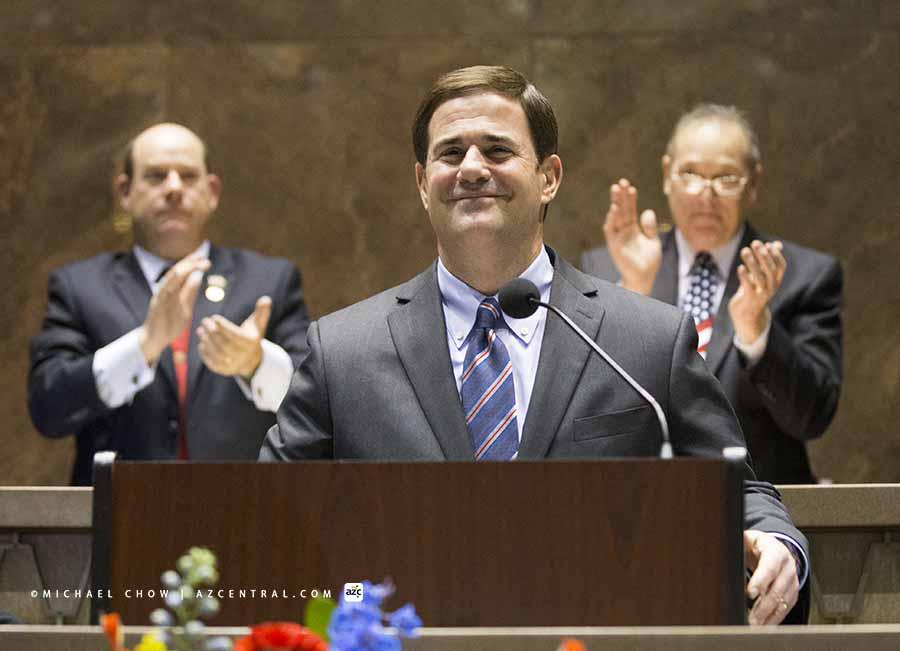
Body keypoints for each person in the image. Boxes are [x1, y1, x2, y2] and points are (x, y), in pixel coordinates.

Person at [260, 67, 807, 625]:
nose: (472, 168)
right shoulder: (343, 351)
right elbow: (269, 518)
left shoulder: (648, 340)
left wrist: (774, 541)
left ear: (549, 177)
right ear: (423, 183)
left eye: (497, 150)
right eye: (451, 153)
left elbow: (739, 491)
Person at [28, 123, 310, 486]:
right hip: (119, 509)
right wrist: (143, 345)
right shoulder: (79, 286)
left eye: (188, 176)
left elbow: (314, 405)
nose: (174, 188)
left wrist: (255, 363)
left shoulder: (269, 281)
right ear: (125, 192)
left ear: (212, 191)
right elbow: (48, 409)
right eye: (156, 176)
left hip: (243, 504)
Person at [581, 104, 842, 484]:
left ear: (753, 183)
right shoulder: (610, 269)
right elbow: (588, 411)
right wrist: (633, 293)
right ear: (667, 175)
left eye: (726, 178)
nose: (706, 195)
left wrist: (757, 332)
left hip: (760, 501)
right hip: (644, 499)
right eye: (690, 174)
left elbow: (812, 418)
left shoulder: (802, 276)